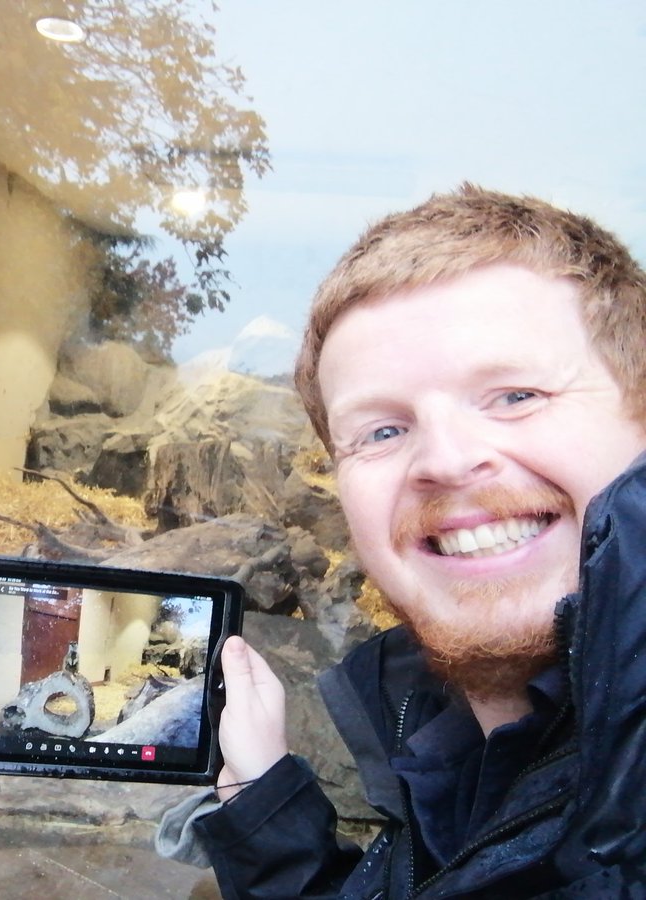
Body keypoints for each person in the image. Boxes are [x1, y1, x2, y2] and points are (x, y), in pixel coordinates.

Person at [156, 184, 646, 897]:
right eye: (382, 431)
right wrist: (263, 804)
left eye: (516, 396)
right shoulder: (447, 737)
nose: (445, 460)